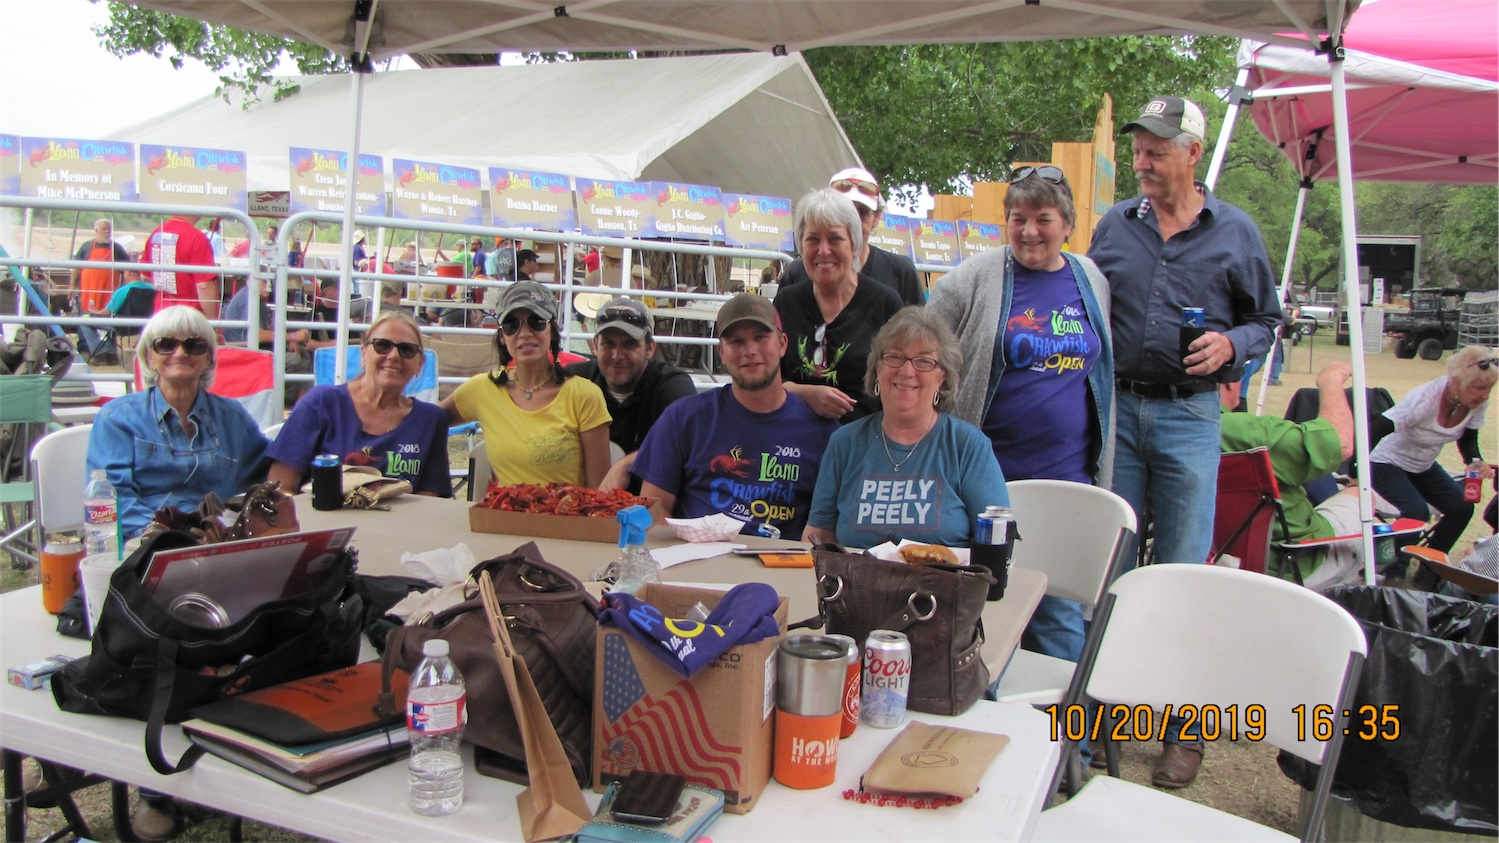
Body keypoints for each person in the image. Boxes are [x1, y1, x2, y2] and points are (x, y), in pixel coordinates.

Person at [1087, 95, 1281, 789]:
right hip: (1118, 410)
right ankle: (1103, 712)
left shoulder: (1235, 231)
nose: (1143, 161)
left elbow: (1266, 320)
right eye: (1139, 149)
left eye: (1157, 150)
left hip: (1190, 416)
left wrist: (1233, 346)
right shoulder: (1114, 226)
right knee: (1111, 567)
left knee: (1182, 571)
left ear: (1193, 154)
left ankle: (1183, 728)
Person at [928, 164, 1113, 673]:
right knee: (985, 604)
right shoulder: (975, 278)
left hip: (1067, 480)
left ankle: (1066, 720)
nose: (1030, 231)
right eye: (1018, 218)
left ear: (1068, 224)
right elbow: (922, 344)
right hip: (991, 482)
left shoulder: (1090, 279)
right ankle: (982, 702)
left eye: (1043, 218)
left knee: (1059, 611)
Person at [632, 294, 840, 538]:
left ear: (782, 344)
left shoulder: (825, 433)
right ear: (721, 352)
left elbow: (827, 529)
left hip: (782, 558)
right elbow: (654, 509)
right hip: (696, 555)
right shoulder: (683, 419)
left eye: (761, 337)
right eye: (736, 341)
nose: (749, 351)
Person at [804, 306, 1006, 548]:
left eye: (923, 361)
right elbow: (818, 534)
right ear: (877, 369)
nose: (907, 371)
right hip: (857, 573)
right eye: (895, 357)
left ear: (941, 377)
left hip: (944, 573)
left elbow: (997, 540)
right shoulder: (844, 443)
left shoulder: (968, 446)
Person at [1219, 362, 1394, 590]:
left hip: (1215, 559)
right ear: (1230, 384)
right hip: (1294, 564)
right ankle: (1370, 564)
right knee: (1361, 495)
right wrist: (1330, 380)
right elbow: (1340, 444)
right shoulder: (1243, 432)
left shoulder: (1176, 431)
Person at [442, 281, 612, 487]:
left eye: (536, 321)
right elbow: (427, 420)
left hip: (568, 508)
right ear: (502, 336)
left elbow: (599, 492)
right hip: (505, 508)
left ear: (552, 330)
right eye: (511, 325)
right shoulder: (481, 389)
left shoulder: (585, 396)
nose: (524, 333)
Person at [267, 311, 453, 497]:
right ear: (364, 353)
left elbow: (430, 498)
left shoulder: (430, 420)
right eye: (382, 345)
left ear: (420, 363)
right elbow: (279, 488)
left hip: (400, 517)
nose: (394, 355)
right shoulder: (321, 403)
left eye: (407, 349)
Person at [774, 187, 903, 423]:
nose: (823, 250)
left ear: (854, 245)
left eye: (835, 238)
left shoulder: (885, 304)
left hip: (864, 439)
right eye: (813, 239)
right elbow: (767, 379)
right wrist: (805, 393)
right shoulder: (786, 302)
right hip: (793, 438)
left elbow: (902, 384)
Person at [1370, 345, 1495, 555]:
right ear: (1457, 382)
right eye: (1479, 388)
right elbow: (1374, 430)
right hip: (1385, 462)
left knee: (1462, 508)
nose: (1485, 395)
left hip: (1423, 466)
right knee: (1416, 513)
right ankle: (1394, 567)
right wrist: (1356, 472)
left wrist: (1475, 460)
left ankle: (1430, 564)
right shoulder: (1424, 399)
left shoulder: (1477, 403)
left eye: (1489, 388)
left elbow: (1468, 438)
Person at [565, 297, 696, 492]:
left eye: (629, 344)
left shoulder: (672, 385)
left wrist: (625, 464)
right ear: (595, 346)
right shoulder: (574, 381)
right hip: (582, 501)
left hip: (650, 501)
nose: (617, 355)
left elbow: (689, 440)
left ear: (650, 348)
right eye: (608, 343)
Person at [778, 167, 925, 306]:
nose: (854, 222)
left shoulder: (900, 272)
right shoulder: (797, 274)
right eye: (842, 214)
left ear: (876, 217)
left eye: (862, 212)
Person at [140, 213, 220, 317]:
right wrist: (213, 321)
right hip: (190, 315)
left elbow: (145, 276)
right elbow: (204, 286)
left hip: (161, 312)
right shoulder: (196, 238)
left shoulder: (156, 233)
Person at [76, 262, 156, 364]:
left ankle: (101, 354)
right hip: (145, 325)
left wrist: (94, 312)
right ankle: (111, 355)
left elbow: (107, 312)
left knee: (84, 321)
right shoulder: (152, 289)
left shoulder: (124, 290)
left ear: (128, 273)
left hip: (122, 326)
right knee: (113, 321)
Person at [71, 218, 130, 313]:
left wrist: (123, 289)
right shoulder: (86, 246)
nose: (107, 231)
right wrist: (72, 286)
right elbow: (77, 268)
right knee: (87, 315)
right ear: (96, 231)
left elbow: (127, 271)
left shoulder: (117, 248)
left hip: (109, 294)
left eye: (109, 229)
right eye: (104, 229)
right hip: (88, 292)